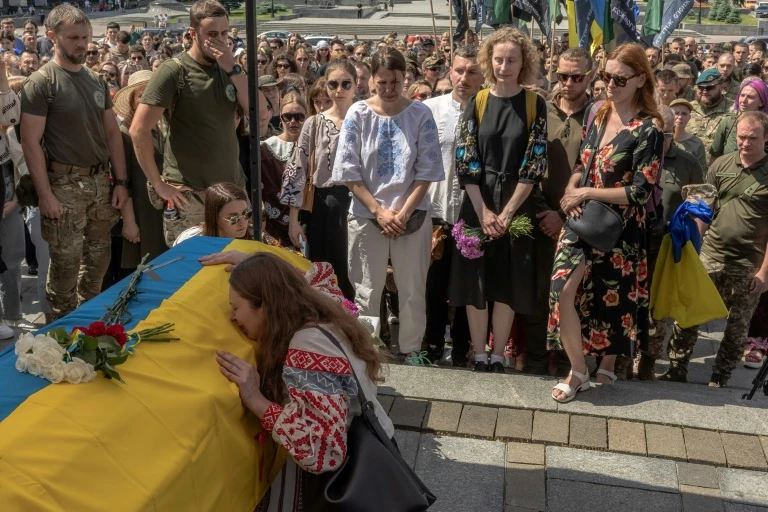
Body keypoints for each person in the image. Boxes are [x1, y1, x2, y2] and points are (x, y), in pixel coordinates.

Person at [204, 251, 393, 510]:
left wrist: (257, 400)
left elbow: (324, 452)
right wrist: (257, 268)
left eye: (236, 307)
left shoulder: (307, 350)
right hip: (376, 453)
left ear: (266, 305)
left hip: (349, 483)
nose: (233, 317)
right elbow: (322, 275)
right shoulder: (320, 307)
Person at [548, 43, 663, 402]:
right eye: (605, 76)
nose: (609, 84)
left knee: (607, 303)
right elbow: (582, 165)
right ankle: (578, 369)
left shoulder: (650, 129)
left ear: (640, 79)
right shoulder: (597, 114)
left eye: (619, 78)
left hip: (619, 230)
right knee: (561, 290)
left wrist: (587, 194)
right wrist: (571, 189)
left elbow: (641, 191)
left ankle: (606, 363)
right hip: (579, 221)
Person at [333, 47, 444, 364]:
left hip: (412, 215)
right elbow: (348, 172)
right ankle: (367, 351)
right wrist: (379, 211)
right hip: (368, 215)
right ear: (370, 81)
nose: (389, 89)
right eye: (382, 82)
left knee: (412, 290)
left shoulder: (420, 114)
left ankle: (411, 350)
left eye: (395, 82)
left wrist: (403, 212)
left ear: (405, 78)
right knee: (367, 290)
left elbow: (427, 171)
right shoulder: (358, 114)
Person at [20, 4, 128, 320]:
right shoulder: (42, 82)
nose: (82, 44)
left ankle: (89, 327)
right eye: (73, 38)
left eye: (85, 36)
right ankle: (59, 336)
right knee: (65, 267)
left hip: (99, 184)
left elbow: (112, 134)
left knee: (97, 263)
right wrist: (45, 195)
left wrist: (120, 182)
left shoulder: (96, 81)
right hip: (63, 186)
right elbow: (30, 143)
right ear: (52, 36)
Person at [450, 28, 547, 373]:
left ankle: (498, 355)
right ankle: (478, 353)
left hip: (516, 204)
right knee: (476, 279)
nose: (504, 66)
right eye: (499, 59)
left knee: (509, 281)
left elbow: (534, 164)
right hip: (478, 201)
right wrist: (484, 210)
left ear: (524, 62)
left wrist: (506, 213)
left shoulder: (535, 103)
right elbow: (465, 158)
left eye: (512, 59)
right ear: (489, 61)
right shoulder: (477, 101)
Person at [131, 0, 248, 248]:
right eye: (212, 34)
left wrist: (233, 69)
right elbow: (139, 129)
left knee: (232, 271)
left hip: (231, 193)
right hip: (191, 197)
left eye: (224, 34)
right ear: (193, 33)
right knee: (190, 272)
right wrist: (158, 184)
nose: (219, 41)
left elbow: (260, 113)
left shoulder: (230, 70)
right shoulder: (174, 71)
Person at [663, 112, 768, 388]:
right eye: (741, 137)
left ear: (766, 138)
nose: (745, 143)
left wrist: (764, 272)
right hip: (710, 254)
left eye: (752, 138)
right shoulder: (720, 165)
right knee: (689, 312)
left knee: (737, 327)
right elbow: (702, 211)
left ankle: (720, 378)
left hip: (748, 262)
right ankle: (676, 368)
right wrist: (693, 252)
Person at [529, 47, 594, 376]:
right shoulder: (541, 111)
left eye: (576, 76)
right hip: (542, 220)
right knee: (541, 292)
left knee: (573, 296)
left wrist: (564, 214)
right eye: (562, 76)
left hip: (580, 221)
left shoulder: (600, 116)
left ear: (590, 76)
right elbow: (529, 166)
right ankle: (539, 361)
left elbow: (598, 172)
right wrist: (546, 212)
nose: (568, 82)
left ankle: (572, 363)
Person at [634, 105, 704, 380]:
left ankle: (648, 362)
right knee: (630, 302)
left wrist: (692, 240)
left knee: (656, 308)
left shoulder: (688, 163)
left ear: (673, 133)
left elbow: (701, 205)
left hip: (666, 245)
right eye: (654, 133)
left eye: (664, 134)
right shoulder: (636, 155)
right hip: (632, 241)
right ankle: (621, 361)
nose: (658, 140)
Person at [280, 59, 357, 299]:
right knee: (323, 274)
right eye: (333, 84)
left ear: (356, 85)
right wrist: (294, 220)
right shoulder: (314, 122)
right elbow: (296, 169)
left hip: (361, 205)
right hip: (324, 205)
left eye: (346, 84)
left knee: (357, 274)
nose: (339, 90)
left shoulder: (367, 119)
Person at [112, 70, 167, 267]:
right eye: (141, 94)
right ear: (132, 101)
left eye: (151, 93)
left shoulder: (164, 128)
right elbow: (122, 180)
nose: (146, 99)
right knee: (146, 270)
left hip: (164, 211)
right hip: (142, 213)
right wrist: (129, 221)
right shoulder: (125, 133)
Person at [262, 92, 306, 246]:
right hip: (275, 223)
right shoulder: (267, 148)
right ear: (280, 117)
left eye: (299, 116)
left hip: (311, 219)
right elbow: (266, 190)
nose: (293, 121)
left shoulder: (314, 146)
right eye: (287, 116)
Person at [710, 78, 768, 161]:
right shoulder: (727, 122)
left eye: (750, 97)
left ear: (761, 101)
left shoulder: (766, 126)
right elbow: (715, 157)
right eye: (742, 95)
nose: (743, 101)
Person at [174, 182, 251, 245]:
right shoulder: (190, 241)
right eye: (234, 219)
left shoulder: (256, 238)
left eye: (246, 214)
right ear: (214, 217)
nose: (243, 223)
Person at [687, 68, 732, 167]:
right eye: (700, 87)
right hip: (688, 168)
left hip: (717, 169)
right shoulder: (687, 109)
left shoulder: (733, 111)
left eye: (709, 88)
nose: (704, 91)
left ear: (721, 87)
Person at [667, 98, 707, 171]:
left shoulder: (696, 143)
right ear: (669, 115)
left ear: (689, 117)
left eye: (684, 114)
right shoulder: (662, 140)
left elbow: (701, 173)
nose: (680, 117)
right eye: (676, 113)